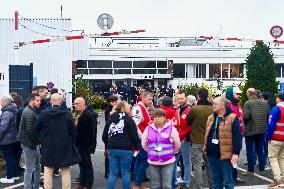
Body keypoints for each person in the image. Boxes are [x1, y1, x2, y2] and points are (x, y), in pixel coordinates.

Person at [35, 94, 81, 189]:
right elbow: (73, 131)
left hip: (48, 145)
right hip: (64, 145)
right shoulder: (67, 113)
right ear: (61, 102)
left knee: (48, 170)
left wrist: (41, 140)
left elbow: (35, 128)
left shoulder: (44, 113)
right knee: (65, 170)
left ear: (51, 101)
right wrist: (71, 142)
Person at [203, 97, 242, 189]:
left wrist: (235, 153)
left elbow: (237, 137)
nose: (213, 105)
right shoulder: (211, 118)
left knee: (228, 181)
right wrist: (205, 147)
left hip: (226, 155)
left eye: (215, 104)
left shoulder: (232, 118)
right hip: (212, 154)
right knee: (215, 182)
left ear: (223, 105)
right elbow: (207, 134)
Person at [102, 101, 139, 189]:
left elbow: (104, 135)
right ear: (123, 108)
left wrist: (107, 145)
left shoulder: (111, 119)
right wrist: (136, 147)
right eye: (128, 107)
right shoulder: (129, 119)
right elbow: (134, 136)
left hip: (112, 148)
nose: (130, 108)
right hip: (126, 149)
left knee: (113, 173)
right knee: (125, 172)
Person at [142, 109, 180, 189]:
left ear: (164, 118)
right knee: (156, 186)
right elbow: (143, 143)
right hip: (153, 162)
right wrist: (150, 151)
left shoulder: (171, 129)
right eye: (155, 117)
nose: (157, 118)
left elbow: (177, 144)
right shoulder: (148, 128)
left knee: (167, 186)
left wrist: (173, 152)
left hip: (168, 161)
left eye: (159, 116)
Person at [187, 88, 213, 189]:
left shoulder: (195, 109)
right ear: (207, 96)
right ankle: (213, 185)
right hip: (209, 141)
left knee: (197, 166)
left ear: (198, 96)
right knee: (210, 166)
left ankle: (199, 186)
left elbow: (187, 120)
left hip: (197, 140)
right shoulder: (212, 109)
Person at [242, 88, 269, 176]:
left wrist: (245, 122)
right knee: (260, 149)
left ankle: (250, 170)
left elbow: (246, 117)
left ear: (249, 94)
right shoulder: (265, 103)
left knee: (250, 150)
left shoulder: (247, 103)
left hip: (250, 130)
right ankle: (262, 169)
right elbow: (268, 116)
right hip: (262, 130)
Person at [17, 93, 42, 189]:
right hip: (29, 143)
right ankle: (27, 187)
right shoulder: (28, 112)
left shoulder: (31, 110)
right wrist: (39, 141)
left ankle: (36, 186)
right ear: (32, 100)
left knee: (36, 167)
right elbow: (30, 131)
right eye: (37, 100)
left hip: (32, 143)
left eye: (40, 100)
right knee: (29, 168)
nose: (39, 102)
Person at [73, 97, 96, 189]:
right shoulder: (79, 115)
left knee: (87, 166)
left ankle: (87, 185)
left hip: (84, 146)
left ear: (84, 104)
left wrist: (82, 146)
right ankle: (82, 183)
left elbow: (90, 133)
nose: (75, 105)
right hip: (79, 145)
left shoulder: (87, 116)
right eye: (74, 104)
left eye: (78, 103)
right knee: (82, 166)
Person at [132, 91, 153, 189]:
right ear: (143, 98)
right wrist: (142, 138)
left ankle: (138, 184)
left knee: (139, 160)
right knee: (145, 161)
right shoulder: (138, 108)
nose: (151, 101)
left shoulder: (142, 107)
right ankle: (137, 184)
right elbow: (135, 125)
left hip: (142, 138)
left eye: (151, 99)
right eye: (149, 99)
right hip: (141, 139)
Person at [172, 91, 192, 189]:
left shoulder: (190, 110)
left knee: (186, 161)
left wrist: (188, 137)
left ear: (186, 99)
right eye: (178, 98)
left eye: (182, 98)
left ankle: (186, 181)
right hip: (176, 139)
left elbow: (193, 125)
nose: (180, 100)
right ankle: (175, 180)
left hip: (185, 139)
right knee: (174, 161)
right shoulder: (177, 110)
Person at [225, 86, 245, 183]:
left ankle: (233, 176)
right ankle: (230, 177)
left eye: (239, 94)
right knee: (230, 156)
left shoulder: (237, 104)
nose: (239, 96)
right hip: (230, 135)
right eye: (237, 94)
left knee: (234, 156)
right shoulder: (228, 106)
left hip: (237, 134)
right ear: (230, 94)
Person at [266, 93, 284, 188]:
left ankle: (278, 179)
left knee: (273, 158)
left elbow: (271, 124)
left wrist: (268, 137)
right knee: (282, 158)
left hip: (275, 138)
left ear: (279, 99)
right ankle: (283, 178)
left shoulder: (276, 109)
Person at [0, 95, 19, 184]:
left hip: (6, 140)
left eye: (1, 101)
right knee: (13, 157)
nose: (0, 103)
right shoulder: (13, 110)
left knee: (9, 158)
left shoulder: (6, 113)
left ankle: (9, 177)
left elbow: (2, 128)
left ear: (5, 102)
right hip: (13, 138)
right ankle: (15, 175)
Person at [104, 95, 120, 178]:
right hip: (109, 134)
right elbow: (108, 122)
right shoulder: (108, 111)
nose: (117, 103)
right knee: (108, 153)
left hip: (116, 133)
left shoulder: (117, 110)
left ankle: (115, 170)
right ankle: (107, 171)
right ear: (111, 102)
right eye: (116, 102)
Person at [10, 93, 25, 174]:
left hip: (15, 135)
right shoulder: (21, 110)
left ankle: (15, 170)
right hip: (19, 135)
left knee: (15, 154)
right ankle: (17, 169)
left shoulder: (15, 111)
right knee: (17, 154)